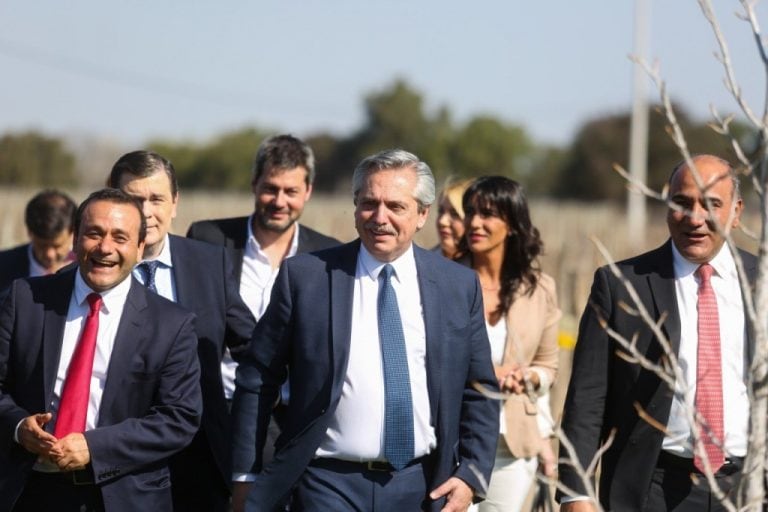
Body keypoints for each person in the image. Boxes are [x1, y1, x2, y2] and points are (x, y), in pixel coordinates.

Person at [230, 149, 499, 512]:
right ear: (355, 207)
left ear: (422, 214)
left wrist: (471, 474)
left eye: (395, 206)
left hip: (421, 486)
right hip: (324, 483)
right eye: (369, 203)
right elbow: (257, 377)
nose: (380, 218)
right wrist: (246, 473)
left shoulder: (457, 286)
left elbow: (479, 388)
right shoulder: (307, 278)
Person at [558, 154, 754, 511]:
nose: (695, 218)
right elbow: (587, 398)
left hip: (749, 487)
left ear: (736, 212)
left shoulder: (762, 285)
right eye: (682, 202)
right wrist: (577, 490)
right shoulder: (621, 286)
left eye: (712, 204)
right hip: (653, 488)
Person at [0, 188, 202, 512]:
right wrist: (19, 426)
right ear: (75, 239)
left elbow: (179, 418)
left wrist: (94, 447)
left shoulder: (171, 325)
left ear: (139, 248)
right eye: (94, 233)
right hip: (31, 490)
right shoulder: (26, 299)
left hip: (123, 494)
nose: (105, 247)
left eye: (120, 237)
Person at [107, 151, 256, 512]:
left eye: (156, 199)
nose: (145, 211)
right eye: (133, 199)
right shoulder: (95, 271)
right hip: (116, 460)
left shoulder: (209, 263)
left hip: (200, 459)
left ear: (175, 202)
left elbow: (255, 348)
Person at [186, 133, 339, 408]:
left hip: (288, 411)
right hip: (216, 406)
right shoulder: (206, 238)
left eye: (291, 191)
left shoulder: (328, 255)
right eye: (271, 188)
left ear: (308, 191)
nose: (280, 201)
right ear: (254, 184)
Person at [458, 176, 560, 512]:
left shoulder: (540, 289)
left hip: (513, 448)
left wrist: (528, 378)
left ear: (513, 224)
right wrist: (487, 373)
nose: (475, 222)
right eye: (470, 212)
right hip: (456, 440)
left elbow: (548, 366)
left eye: (488, 214)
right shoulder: (443, 280)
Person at [0, 189, 77, 293]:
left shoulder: (87, 268)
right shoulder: (4, 266)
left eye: (57, 246)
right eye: (42, 245)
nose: (49, 254)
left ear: (73, 233)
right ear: (29, 232)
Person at [434, 178, 472, 259]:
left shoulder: (481, 267)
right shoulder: (424, 263)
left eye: (455, 214)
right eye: (441, 211)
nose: (442, 221)